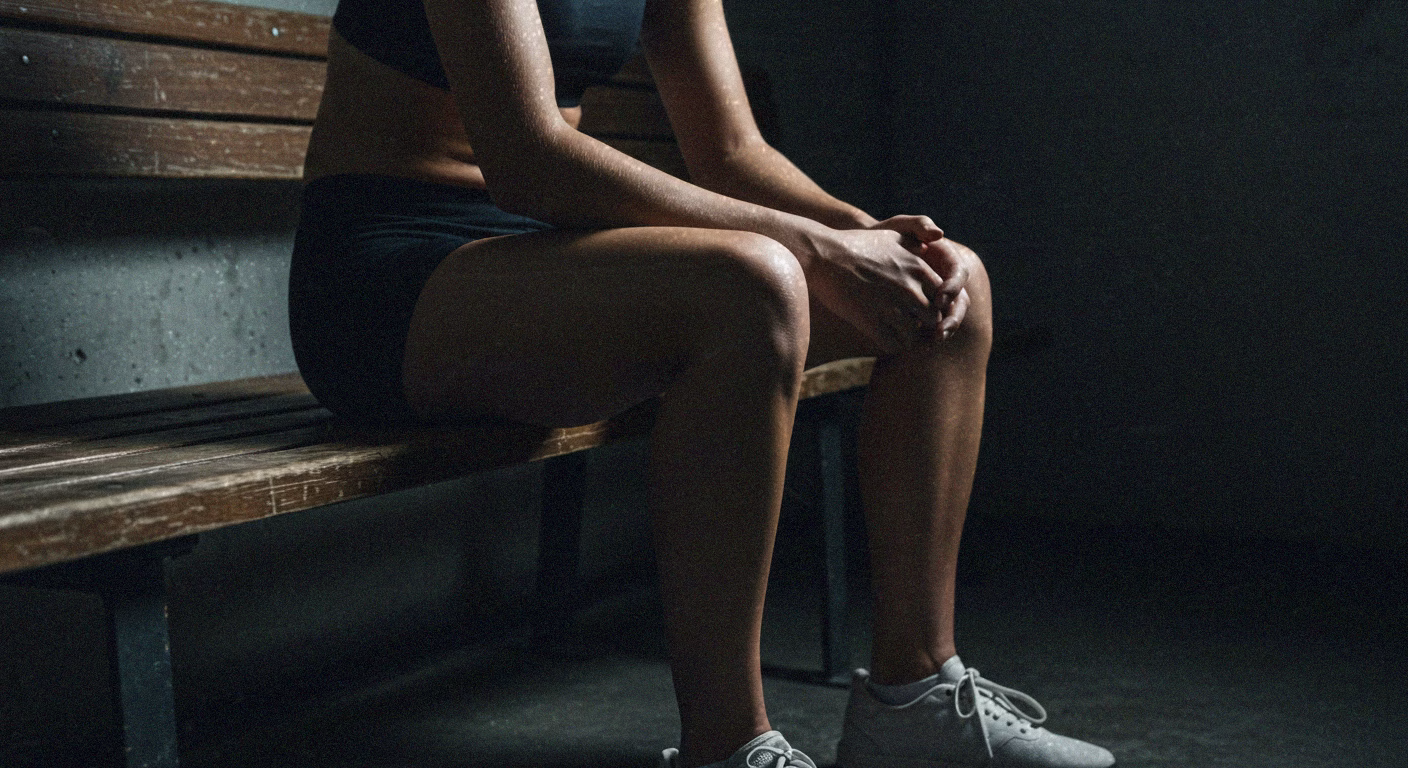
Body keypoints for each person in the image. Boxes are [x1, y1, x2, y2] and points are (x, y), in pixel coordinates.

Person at [289, 0, 1116, 766]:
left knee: (947, 284)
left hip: (545, 259)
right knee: (753, 287)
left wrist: (869, 242)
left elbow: (732, 151)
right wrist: (819, 251)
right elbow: (530, 158)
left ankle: (917, 699)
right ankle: (729, 744)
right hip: (391, 277)